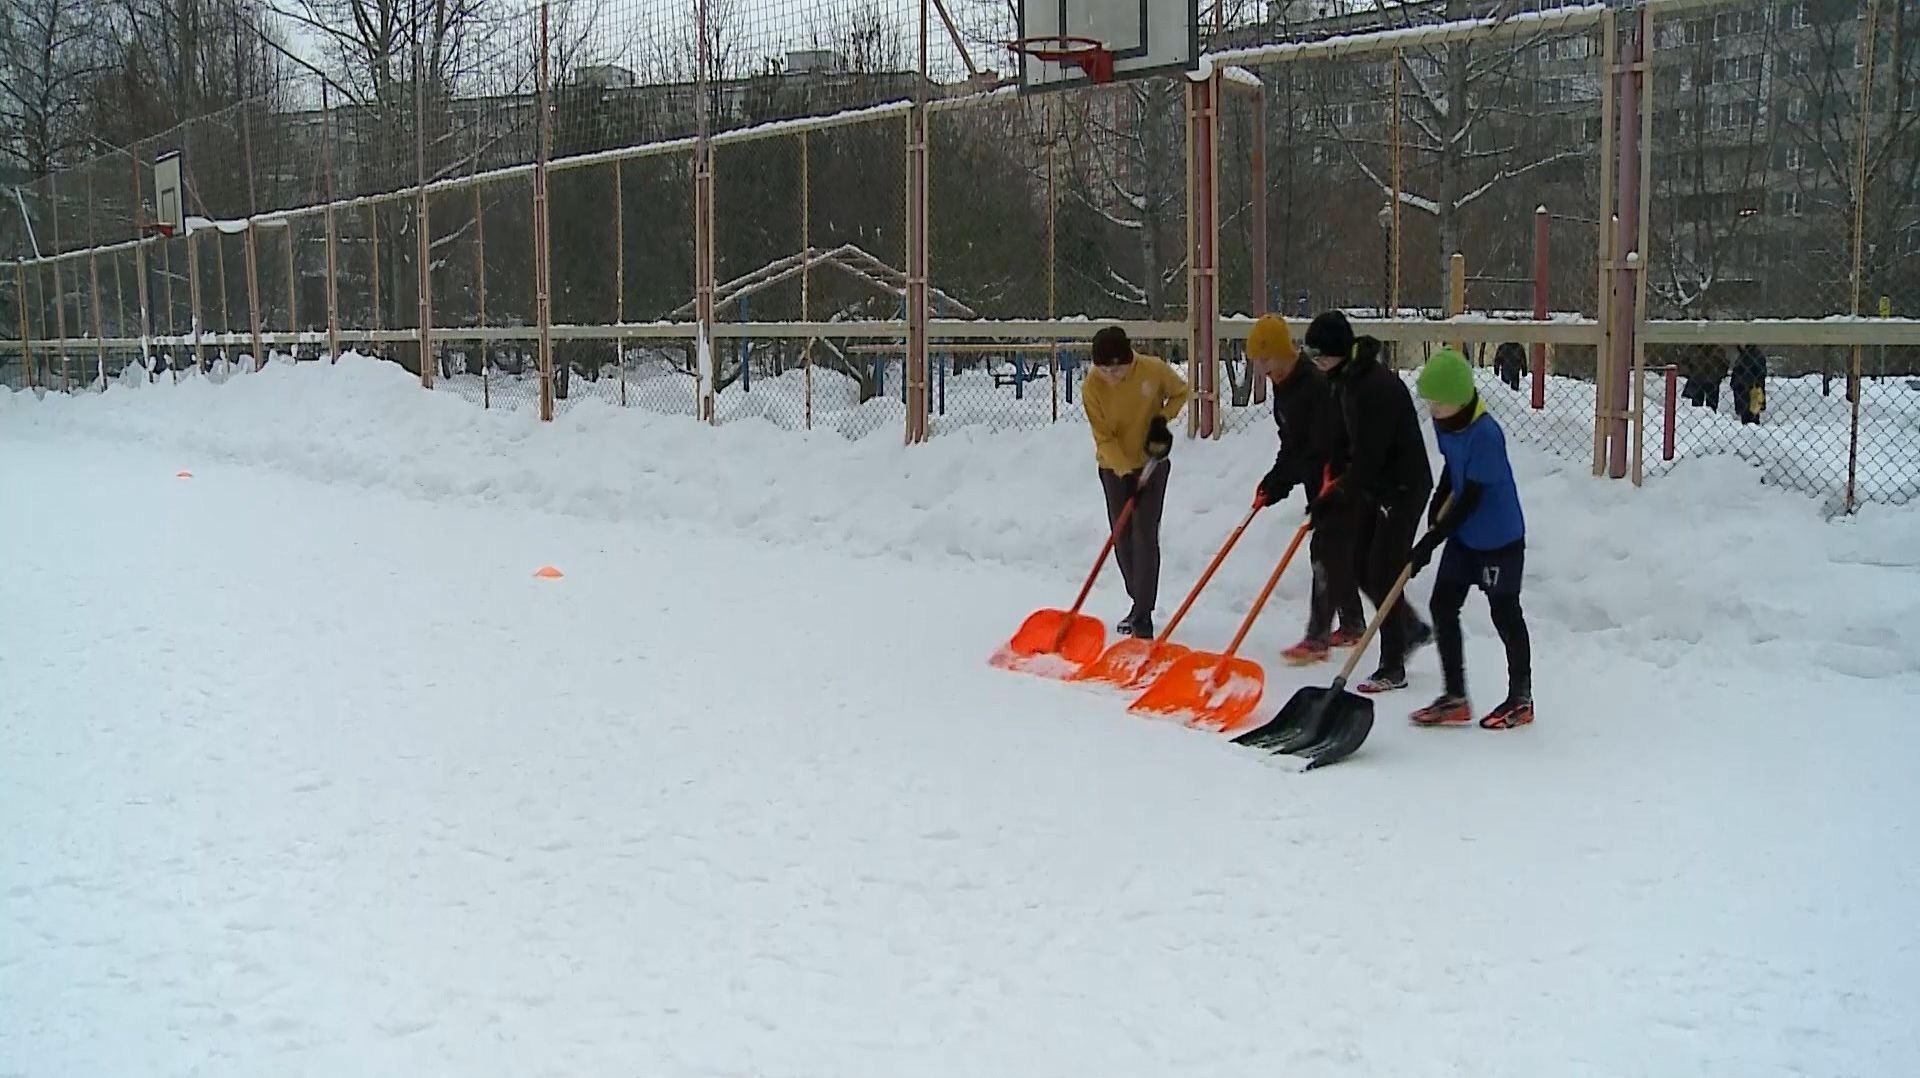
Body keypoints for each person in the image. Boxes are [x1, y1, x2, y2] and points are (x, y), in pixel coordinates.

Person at [1300, 310, 1434, 692]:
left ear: (1340, 352)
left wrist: (1341, 493)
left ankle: (1393, 664)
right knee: (1358, 565)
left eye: (1321, 356)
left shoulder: (1376, 388)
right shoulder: (1343, 382)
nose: (1317, 364)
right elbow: (1345, 442)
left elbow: (1371, 456)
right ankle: (1408, 627)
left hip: (1403, 488)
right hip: (1375, 486)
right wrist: (1330, 477)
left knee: (1383, 569)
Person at [1404, 349, 1534, 730]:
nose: (1433, 409)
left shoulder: (1486, 435)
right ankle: (1455, 696)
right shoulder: (1448, 426)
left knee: (1505, 614)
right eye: (1430, 402)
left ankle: (1521, 699)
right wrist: (1435, 504)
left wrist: (1429, 544)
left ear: (1460, 399)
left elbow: (1471, 499)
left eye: (1439, 403)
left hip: (1498, 539)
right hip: (1465, 537)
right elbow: (1452, 471)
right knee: (1443, 605)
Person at [1244, 313, 1363, 664]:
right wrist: (1274, 482)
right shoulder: (1284, 389)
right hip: (1317, 478)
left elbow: (1319, 447)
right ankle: (1353, 622)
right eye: (1257, 361)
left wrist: (1287, 478)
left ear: (1284, 352)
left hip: (1338, 477)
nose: (1263, 368)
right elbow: (1292, 444)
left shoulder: (1314, 385)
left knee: (1324, 552)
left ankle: (1318, 636)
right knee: (1334, 551)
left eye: (1267, 359)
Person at [1083, 325, 1191, 638]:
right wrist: (1123, 471)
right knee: (1123, 536)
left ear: (1129, 360)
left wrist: (1161, 419)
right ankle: (1137, 598)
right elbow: (1103, 438)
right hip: (1114, 468)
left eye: (1118, 367)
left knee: (1144, 534)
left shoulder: (1152, 370)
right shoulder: (1092, 387)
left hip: (1152, 462)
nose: (1112, 375)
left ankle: (1143, 612)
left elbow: (1181, 392)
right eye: (1104, 368)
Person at [1730, 344, 1767, 425]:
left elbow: (1760, 374)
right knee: (1746, 413)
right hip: (1743, 388)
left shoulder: (1754, 355)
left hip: (1750, 389)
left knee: (1751, 413)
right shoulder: (1744, 354)